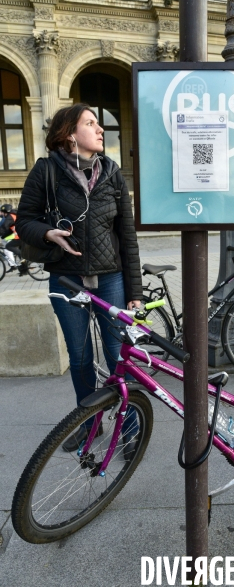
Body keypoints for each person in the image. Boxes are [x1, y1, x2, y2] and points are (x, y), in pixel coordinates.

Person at [16, 103, 142, 456]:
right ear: (70, 133)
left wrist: (135, 292)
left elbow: (127, 237)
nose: (100, 129)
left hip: (111, 278)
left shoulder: (112, 173)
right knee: (81, 357)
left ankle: (130, 427)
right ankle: (89, 424)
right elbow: (24, 221)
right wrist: (47, 234)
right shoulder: (46, 172)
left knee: (120, 357)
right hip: (67, 281)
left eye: (99, 124)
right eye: (91, 123)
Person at [0, 203, 25, 273]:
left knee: (8, 246)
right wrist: (3, 236)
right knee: (19, 251)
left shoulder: (10, 216)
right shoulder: (13, 215)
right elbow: (10, 229)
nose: (2, 214)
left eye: (3, 212)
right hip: (22, 235)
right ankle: (24, 269)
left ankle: (23, 258)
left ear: (6, 212)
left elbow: (4, 227)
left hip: (21, 236)